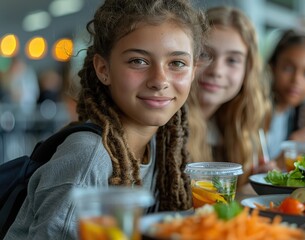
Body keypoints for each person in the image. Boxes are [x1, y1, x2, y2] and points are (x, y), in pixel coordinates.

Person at [4, 0, 209, 239]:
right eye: (138, 61)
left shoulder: (159, 147)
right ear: (104, 69)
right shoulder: (89, 158)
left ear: (193, 72)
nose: (159, 80)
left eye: (177, 63)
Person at [187, 6, 269, 188]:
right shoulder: (167, 128)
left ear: (247, 71)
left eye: (232, 60)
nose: (217, 70)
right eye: (204, 54)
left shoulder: (232, 126)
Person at [264, 30, 305, 159]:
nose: (296, 79)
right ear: (272, 67)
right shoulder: (257, 112)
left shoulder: (293, 113)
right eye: (288, 68)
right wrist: (291, 150)